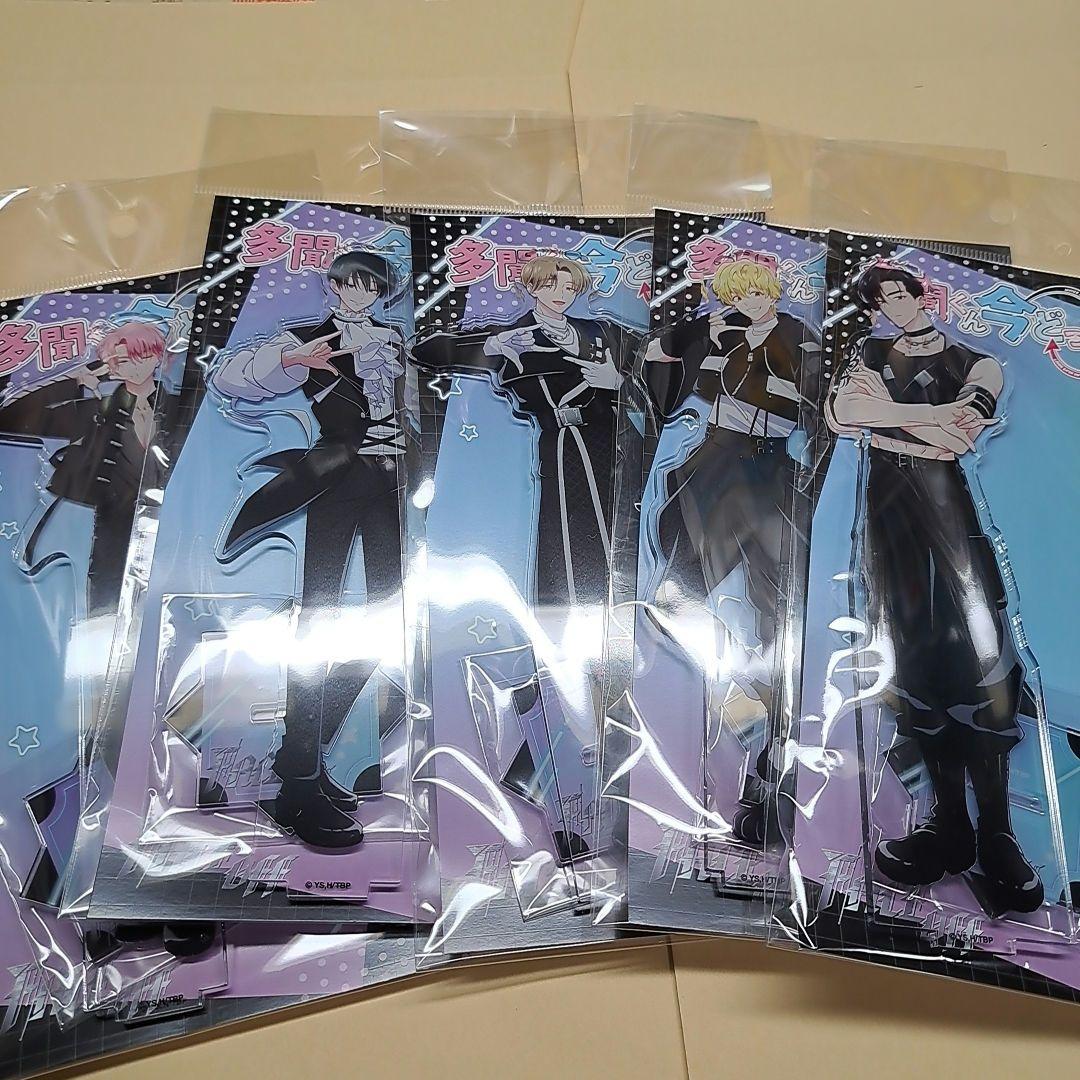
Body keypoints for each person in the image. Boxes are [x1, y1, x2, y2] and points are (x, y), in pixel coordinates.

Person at [827, 263, 1042, 914]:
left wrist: (889, 420)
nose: (894, 305)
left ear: (922, 295)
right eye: (882, 299)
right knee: (911, 655)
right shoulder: (869, 353)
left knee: (980, 656)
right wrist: (931, 422)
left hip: (953, 509)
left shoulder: (978, 361)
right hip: (888, 511)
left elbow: (964, 434)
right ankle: (950, 825)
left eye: (901, 293)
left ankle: (997, 833)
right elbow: (842, 414)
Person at [212, 250, 405, 850]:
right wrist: (293, 359)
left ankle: (301, 757)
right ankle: (297, 777)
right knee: (319, 616)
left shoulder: (393, 339)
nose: (361, 295)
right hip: (338, 480)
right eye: (352, 284)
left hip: (394, 484)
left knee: (388, 624)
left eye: (372, 287)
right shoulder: (307, 338)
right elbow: (230, 379)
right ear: (334, 287)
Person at [644, 259, 818, 846]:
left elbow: (811, 403)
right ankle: (746, 723)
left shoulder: (797, 336)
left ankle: (771, 759)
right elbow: (658, 361)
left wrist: (762, 380)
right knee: (675, 604)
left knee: (779, 618)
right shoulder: (721, 332)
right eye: (738, 296)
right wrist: (704, 334)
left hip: (769, 472)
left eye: (757, 293)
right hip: (714, 462)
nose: (750, 303)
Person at [413, 254, 633, 608]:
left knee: (617, 529)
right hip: (561, 443)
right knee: (567, 530)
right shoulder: (516, 334)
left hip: (608, 442)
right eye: (551, 284)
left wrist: (618, 383)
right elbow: (427, 351)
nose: (561, 294)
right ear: (532, 287)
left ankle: (618, 611)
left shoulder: (602, 331)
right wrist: (493, 345)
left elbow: (658, 367)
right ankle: (572, 613)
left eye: (569, 287)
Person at [0, 321, 165, 623]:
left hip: (175, 518)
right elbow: (10, 418)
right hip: (109, 517)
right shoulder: (96, 411)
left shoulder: (183, 404)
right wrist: (74, 381)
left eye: (141, 356)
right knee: (105, 600)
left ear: (157, 356)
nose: (133, 365)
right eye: (121, 360)